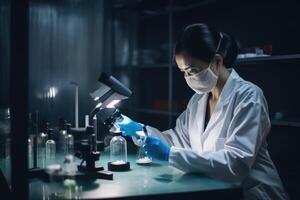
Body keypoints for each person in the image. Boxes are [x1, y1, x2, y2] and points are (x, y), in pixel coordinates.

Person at [116, 23, 288, 200]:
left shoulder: (248, 97)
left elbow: (236, 164)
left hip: (252, 194)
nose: (188, 78)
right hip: (216, 190)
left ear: (217, 62)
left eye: (192, 71)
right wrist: (139, 130)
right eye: (183, 72)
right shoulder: (198, 100)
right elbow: (178, 139)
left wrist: (170, 155)